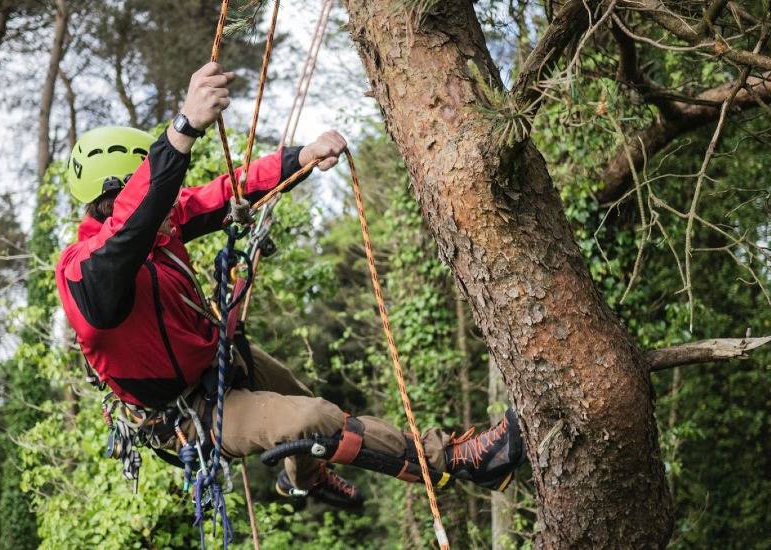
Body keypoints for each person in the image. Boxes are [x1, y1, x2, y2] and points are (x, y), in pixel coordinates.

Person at [56, 62, 526, 509]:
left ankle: (303, 479)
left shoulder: (163, 219)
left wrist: (300, 157)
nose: (168, 210)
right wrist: (182, 129)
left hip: (218, 361)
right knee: (312, 420)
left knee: (299, 395)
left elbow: (225, 192)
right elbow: (126, 239)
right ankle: (457, 463)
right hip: (188, 415)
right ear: (118, 199)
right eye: (152, 199)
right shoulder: (85, 274)